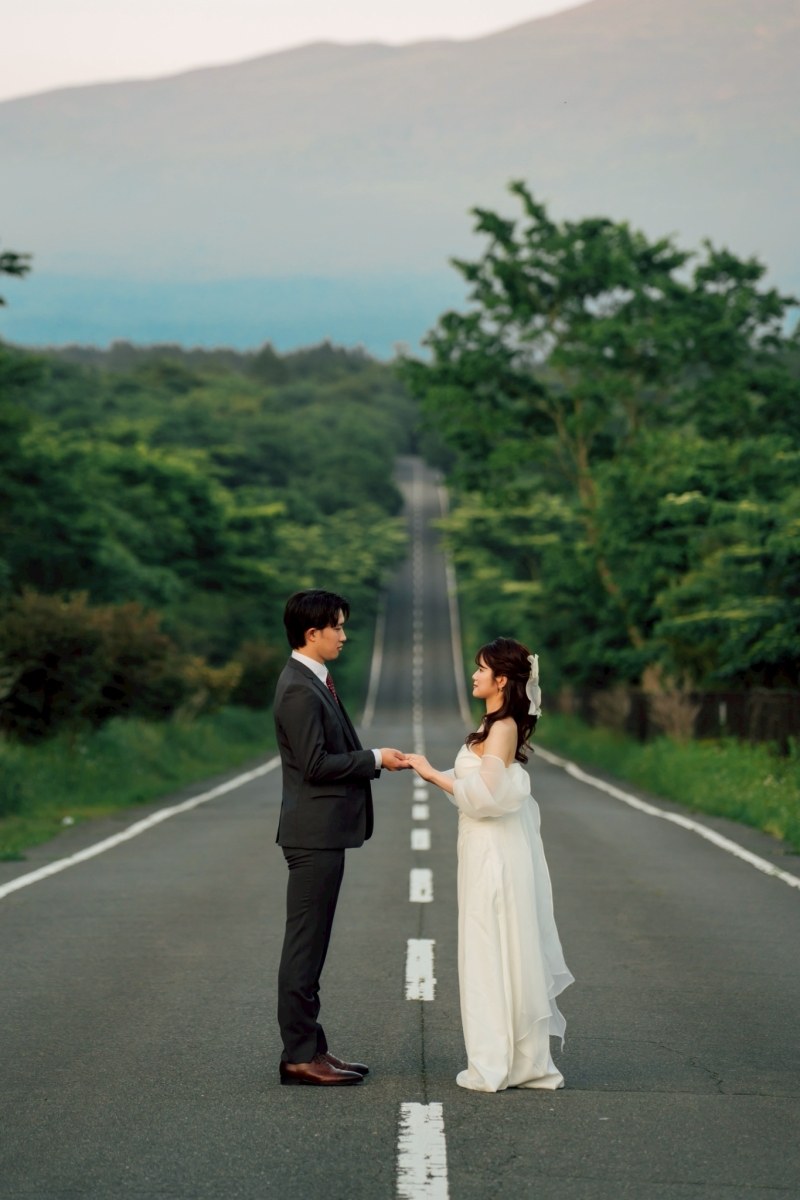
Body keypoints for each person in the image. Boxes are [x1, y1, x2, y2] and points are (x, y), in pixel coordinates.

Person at [403, 637, 574, 1092]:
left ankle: (498, 1062)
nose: (474, 675)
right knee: (495, 944)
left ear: (501, 679)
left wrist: (430, 772)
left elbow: (484, 798)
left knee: (489, 945)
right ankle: (512, 1058)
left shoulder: (501, 728)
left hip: (492, 853)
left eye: (481, 669)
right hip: (483, 847)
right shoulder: (494, 723)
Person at [273, 589, 408, 1086]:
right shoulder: (297, 688)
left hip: (323, 833)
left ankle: (313, 1048)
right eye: (338, 628)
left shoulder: (315, 681)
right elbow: (314, 765)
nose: (344, 636)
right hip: (312, 835)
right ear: (314, 633)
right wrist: (374, 758)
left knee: (314, 943)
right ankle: (299, 1056)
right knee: (305, 947)